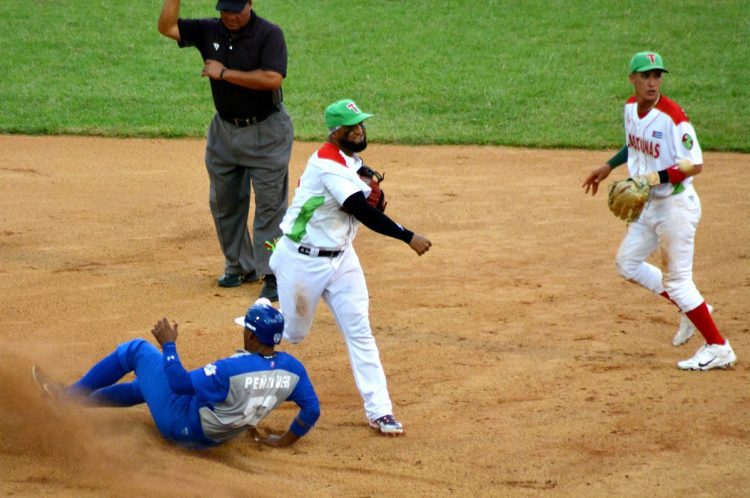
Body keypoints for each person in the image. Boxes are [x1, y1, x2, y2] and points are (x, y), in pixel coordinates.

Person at [269, 99, 433, 435]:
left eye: (361, 124)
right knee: (293, 335)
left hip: (342, 259)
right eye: (352, 127)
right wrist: (408, 236)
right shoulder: (328, 164)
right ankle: (259, 314)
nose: (359, 130)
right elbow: (363, 211)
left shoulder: (351, 161)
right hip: (302, 260)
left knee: (360, 331)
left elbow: (368, 199)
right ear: (335, 132)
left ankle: (380, 411)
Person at [582, 51, 736, 371]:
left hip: (675, 208)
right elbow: (634, 143)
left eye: (657, 76)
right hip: (647, 205)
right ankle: (694, 309)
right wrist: (608, 166)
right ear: (633, 80)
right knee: (627, 263)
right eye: (646, 76)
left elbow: (695, 164)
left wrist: (653, 178)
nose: (652, 82)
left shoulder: (673, 117)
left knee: (678, 281)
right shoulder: (629, 107)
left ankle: (719, 347)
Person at [31, 299, 320, 449]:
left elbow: (180, 383)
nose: (243, 331)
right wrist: (283, 442)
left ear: (253, 337)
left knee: (136, 350)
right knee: (145, 384)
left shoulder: (231, 369)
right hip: (218, 436)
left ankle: (66, 398)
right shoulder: (292, 369)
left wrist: (169, 346)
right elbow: (311, 410)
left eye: (245, 328)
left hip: (183, 427)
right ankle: (76, 404)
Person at [158, 0, 294, 300]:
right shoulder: (209, 29)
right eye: (225, 10)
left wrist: (224, 73)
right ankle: (239, 265)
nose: (230, 16)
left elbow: (273, 78)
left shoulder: (269, 34)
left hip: (267, 132)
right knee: (225, 203)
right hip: (224, 132)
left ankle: (273, 273)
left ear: (250, 4)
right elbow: (167, 27)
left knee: (270, 209)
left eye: (236, 9)